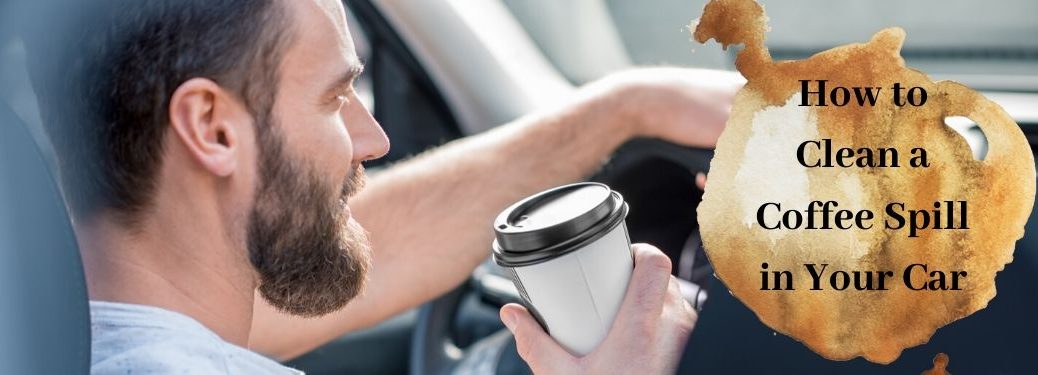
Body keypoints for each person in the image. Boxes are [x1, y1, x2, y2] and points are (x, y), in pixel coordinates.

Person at [29, 0, 736, 373]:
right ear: (212, 130)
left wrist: (628, 106)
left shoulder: (55, 329)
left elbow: (375, 246)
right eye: (337, 98)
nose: (373, 139)